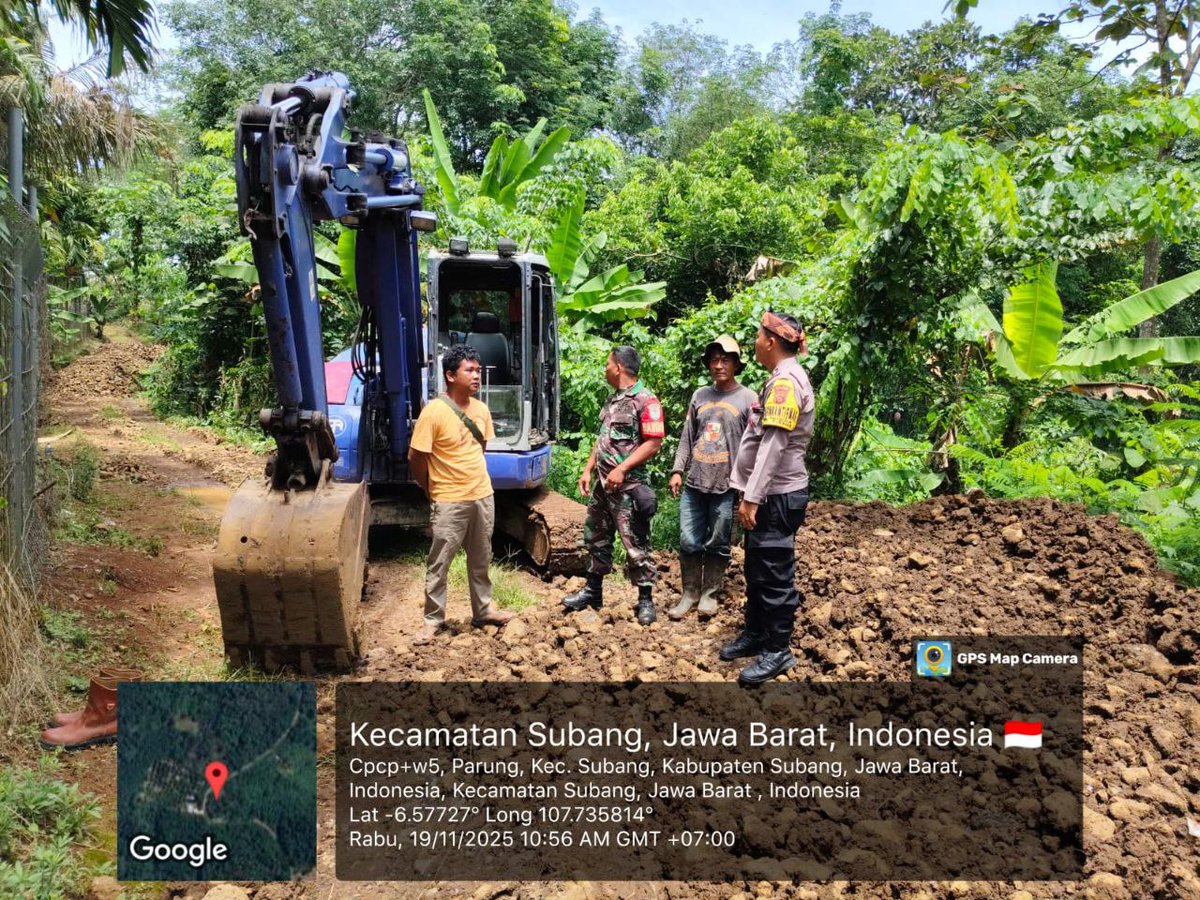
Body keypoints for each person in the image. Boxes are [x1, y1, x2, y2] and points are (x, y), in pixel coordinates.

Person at [721, 311, 815, 685]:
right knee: (758, 569)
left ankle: (778, 650)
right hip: (768, 495)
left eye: (758, 336)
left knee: (774, 573)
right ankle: (757, 633)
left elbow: (773, 447)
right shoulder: (780, 379)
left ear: (772, 341)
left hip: (775, 496)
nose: (756, 342)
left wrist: (752, 497)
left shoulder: (786, 384)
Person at [408, 345, 515, 644]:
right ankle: (433, 620)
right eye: (470, 370)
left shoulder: (481, 410)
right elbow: (416, 457)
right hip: (449, 499)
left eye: (478, 370)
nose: (476, 376)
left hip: (482, 495)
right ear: (450, 375)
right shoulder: (434, 412)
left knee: (481, 558)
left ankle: (483, 611)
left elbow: (479, 449)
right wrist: (430, 488)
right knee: (440, 561)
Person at [562, 346, 665, 625]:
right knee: (596, 536)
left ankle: (645, 600)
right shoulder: (611, 400)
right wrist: (588, 468)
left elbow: (654, 443)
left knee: (636, 544)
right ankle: (593, 591)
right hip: (603, 486)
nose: (605, 368)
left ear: (619, 366)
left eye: (608, 364)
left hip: (629, 487)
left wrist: (622, 468)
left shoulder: (646, 400)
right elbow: (603, 438)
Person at [667, 335, 757, 619]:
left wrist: (748, 487)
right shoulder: (700, 396)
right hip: (695, 482)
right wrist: (677, 469)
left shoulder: (748, 398)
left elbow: (753, 445)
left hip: (726, 486)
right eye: (715, 360)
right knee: (688, 540)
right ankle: (690, 593)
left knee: (718, 542)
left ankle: (710, 594)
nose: (719, 365)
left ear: (736, 364)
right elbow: (687, 437)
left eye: (726, 360)